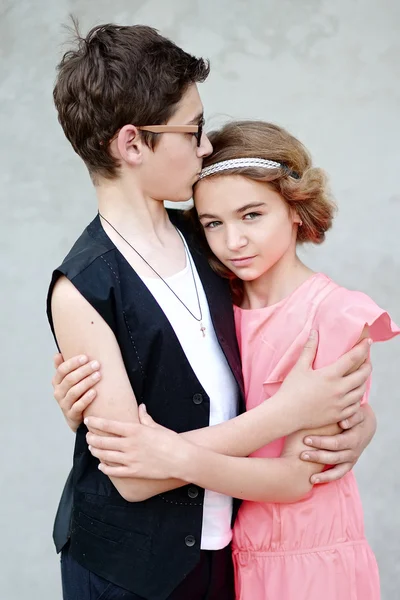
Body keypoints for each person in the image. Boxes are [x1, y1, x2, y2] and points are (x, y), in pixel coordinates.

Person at [48, 21, 375, 600]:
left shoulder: (209, 240)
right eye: (192, 130)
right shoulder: (82, 287)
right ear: (132, 143)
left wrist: (355, 424)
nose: (205, 146)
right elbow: (137, 476)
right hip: (130, 571)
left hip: (222, 552)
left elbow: (266, 340)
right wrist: (289, 413)